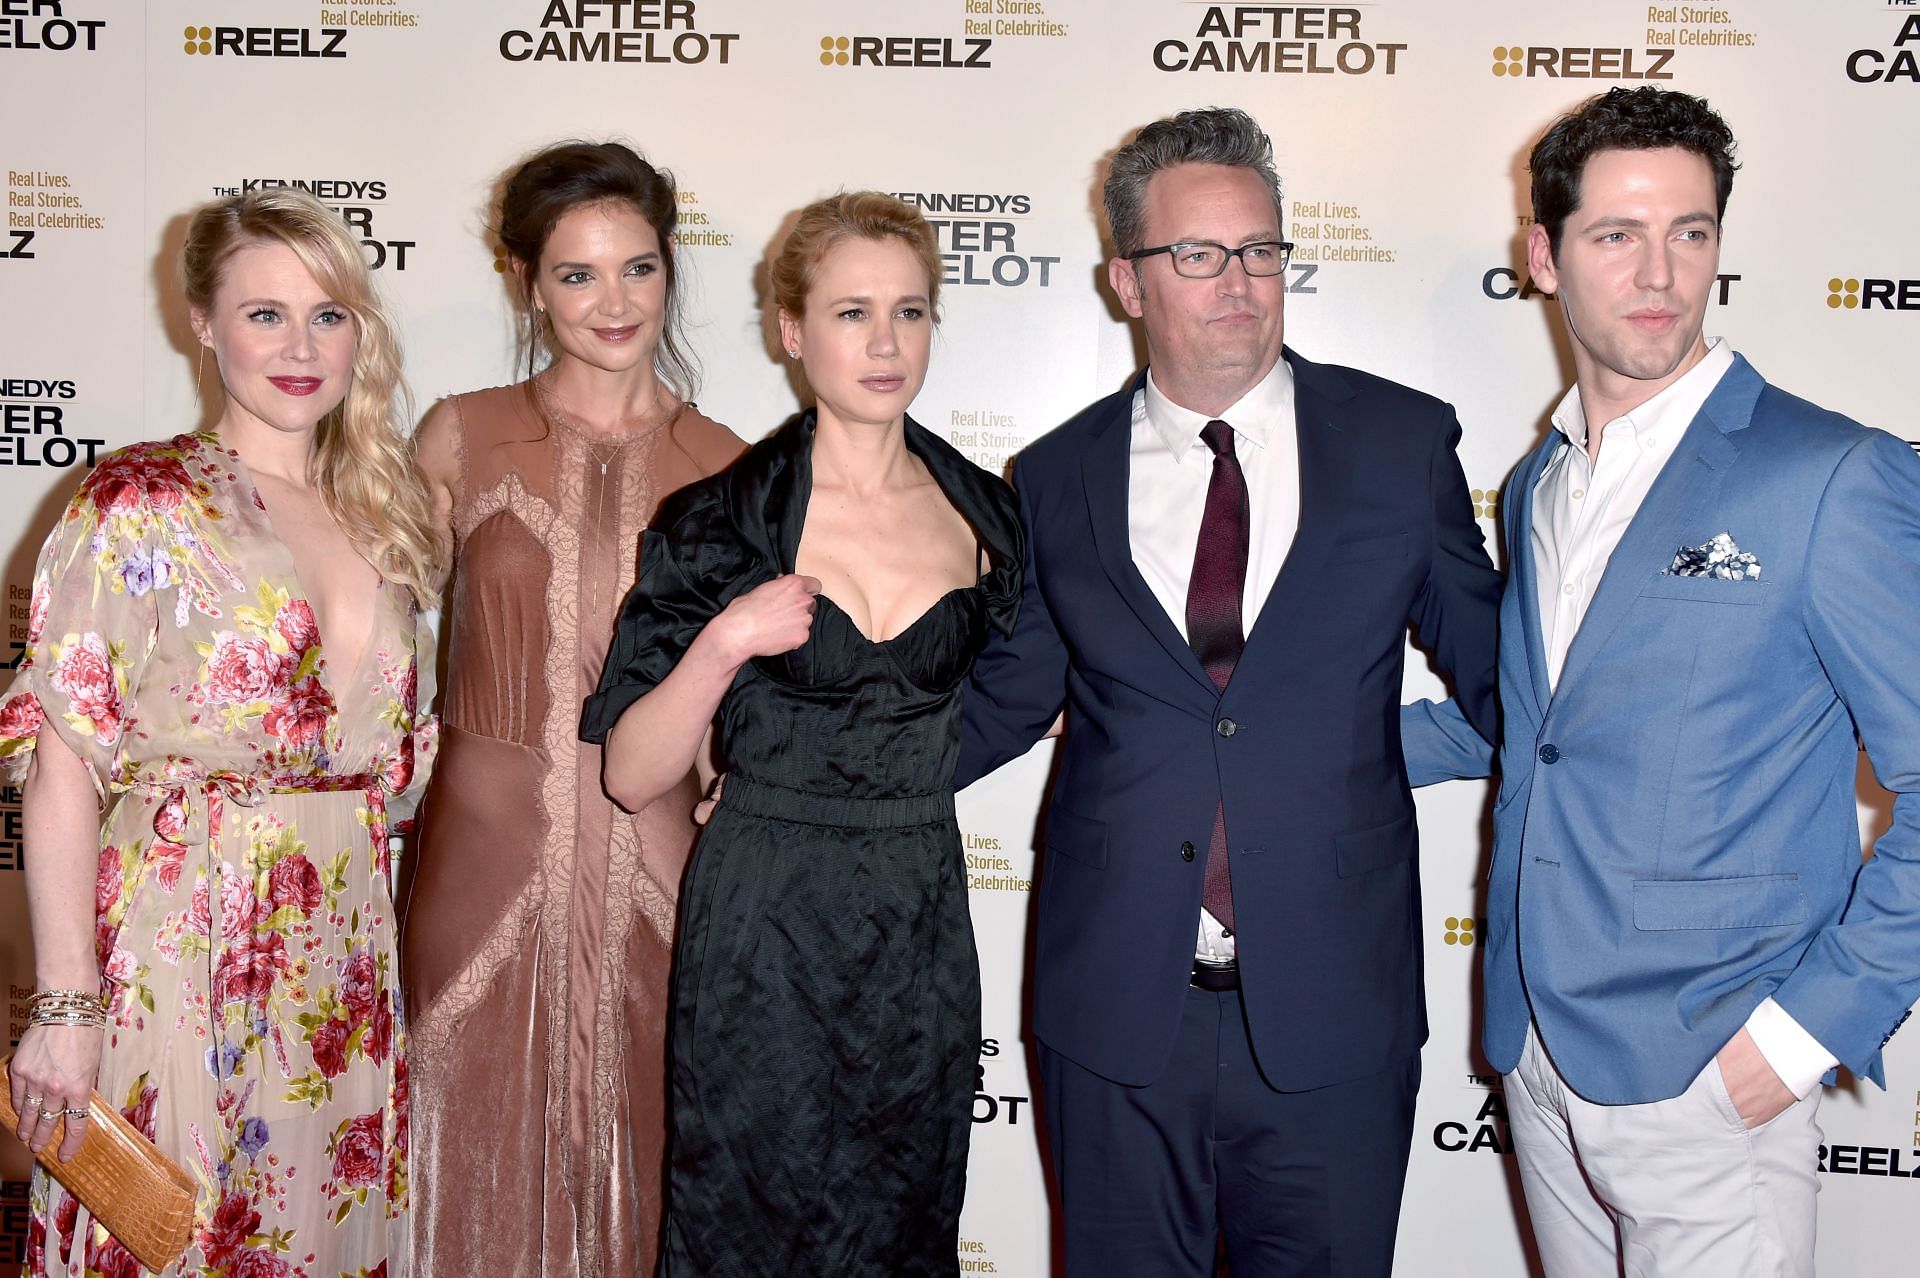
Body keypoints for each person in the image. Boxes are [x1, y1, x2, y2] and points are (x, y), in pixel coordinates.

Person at [953, 106, 1501, 1276]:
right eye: (1197, 256)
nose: (1239, 284)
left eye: (1260, 250)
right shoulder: (1055, 476)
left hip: (1334, 1002)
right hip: (1113, 1011)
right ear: (1126, 280)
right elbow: (1004, 699)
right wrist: (804, 773)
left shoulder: (1401, 443)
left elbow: (1508, 679)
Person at [1451, 85, 1920, 1277]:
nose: (1661, 272)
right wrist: (1236, 735)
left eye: (1692, 232)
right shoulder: (1539, 486)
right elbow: (1538, 726)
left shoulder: (1831, 475)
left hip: (1712, 1070)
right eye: (1617, 235)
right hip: (1540, 1054)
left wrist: (1801, 1035)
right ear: (1543, 259)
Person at [580, 190, 1020, 1277]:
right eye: (852, 312)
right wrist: (725, 640)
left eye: (910, 312)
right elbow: (634, 776)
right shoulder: (720, 519)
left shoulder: (989, 515)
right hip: (763, 919)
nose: (885, 343)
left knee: (905, 1213)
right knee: (745, 1216)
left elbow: (1029, 693)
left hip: (917, 908)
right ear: (791, 330)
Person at [1, 188, 439, 1277]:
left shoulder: (384, 518)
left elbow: (395, 777)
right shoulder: (140, 500)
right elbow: (60, 765)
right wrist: (65, 1005)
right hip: (180, 937)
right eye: (265, 314)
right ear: (203, 322)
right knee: (170, 1237)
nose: (300, 347)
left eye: (328, 315)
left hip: (341, 955)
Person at [400, 140, 743, 1278]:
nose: (613, 303)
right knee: (461, 1135)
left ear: (669, 270)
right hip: (479, 862)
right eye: (577, 275)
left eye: (638, 269)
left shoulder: (735, 467)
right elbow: (366, 639)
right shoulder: (461, 432)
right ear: (526, 282)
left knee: (659, 1144)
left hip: (667, 870)